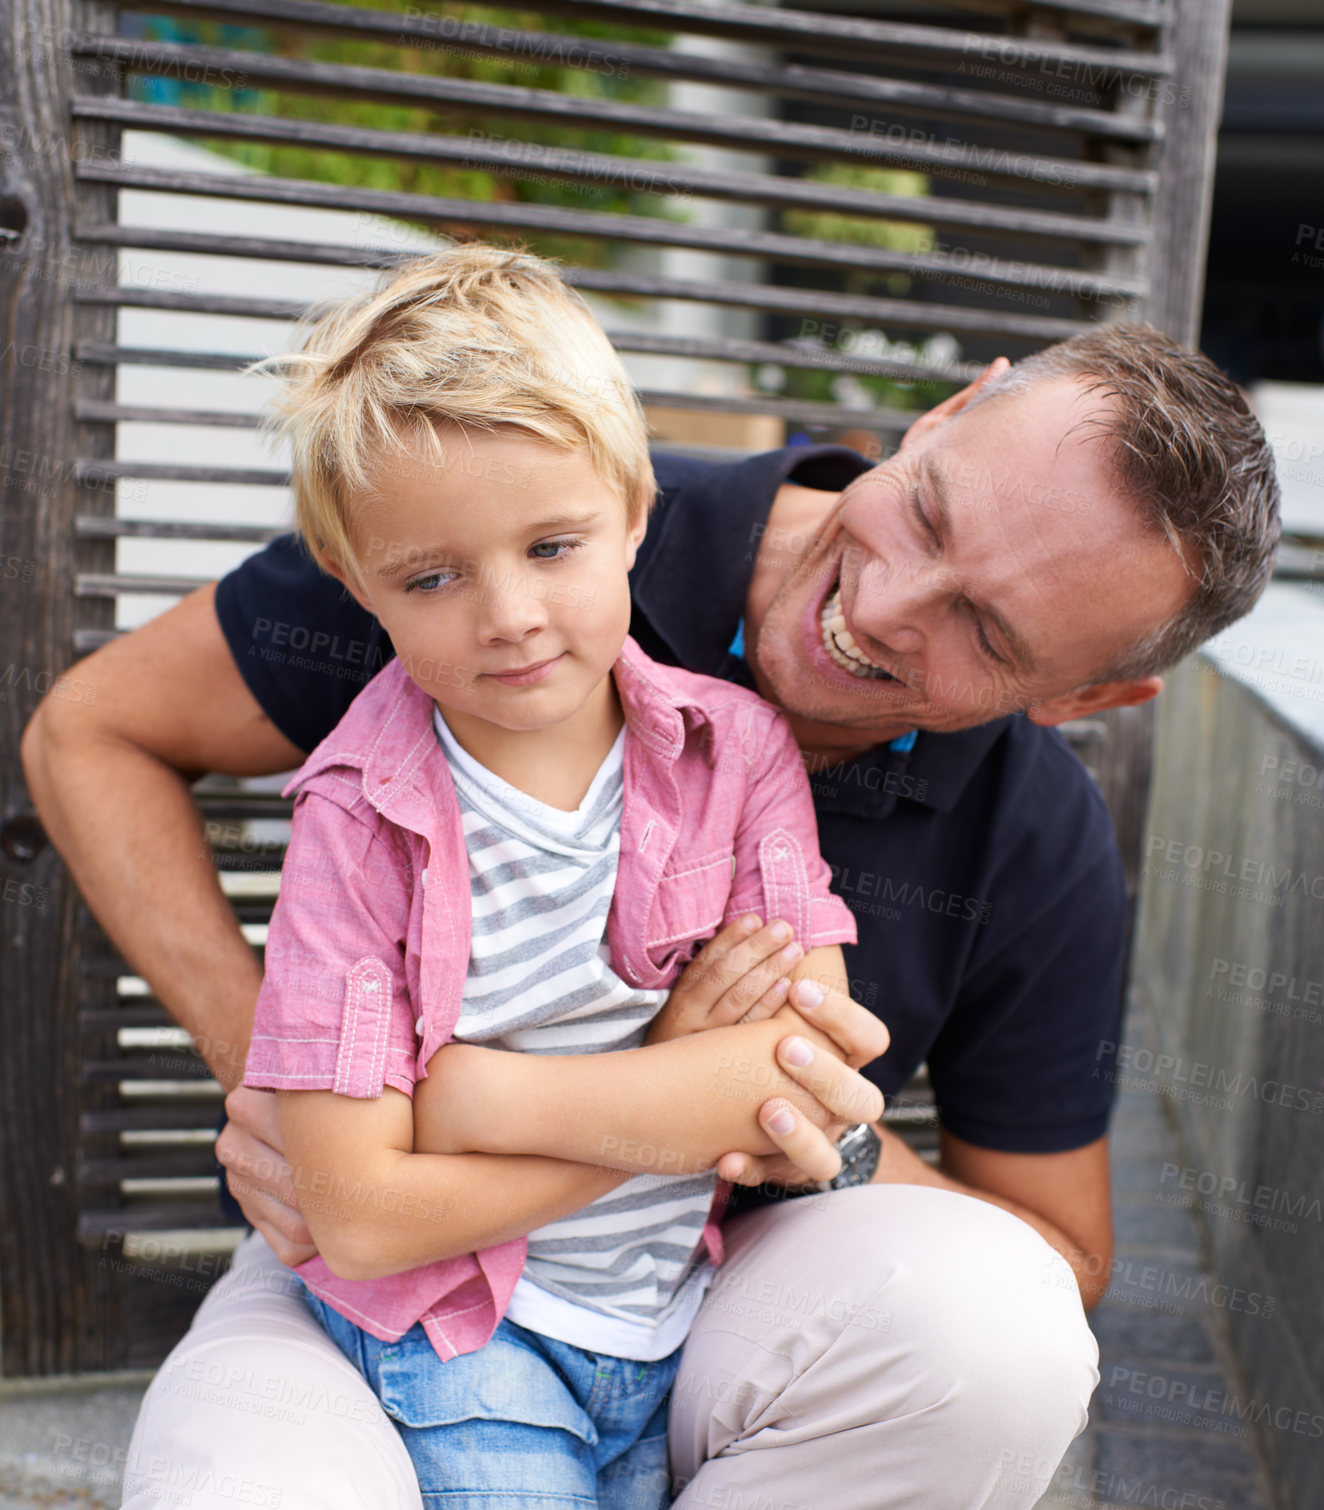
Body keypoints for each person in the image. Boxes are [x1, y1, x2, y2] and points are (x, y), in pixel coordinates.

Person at [20, 280, 1279, 1507]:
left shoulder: (1018, 828)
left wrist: (792, 1124)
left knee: (997, 1331)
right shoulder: (500, 506)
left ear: (1084, 701)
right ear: (947, 412)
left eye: (988, 633)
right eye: (934, 515)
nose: (880, 609)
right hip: (394, 1281)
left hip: (725, 1290)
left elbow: (1056, 1255)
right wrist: (282, 1078)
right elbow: (93, 734)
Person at [236, 242, 879, 1508]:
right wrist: (662, 1080)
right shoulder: (356, 822)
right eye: (433, 576)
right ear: (354, 579)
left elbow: (797, 1082)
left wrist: (474, 1101)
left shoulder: (730, 748)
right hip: (455, 1334)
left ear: (636, 511)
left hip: (670, 1322)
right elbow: (361, 1214)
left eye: (552, 545)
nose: (510, 613)